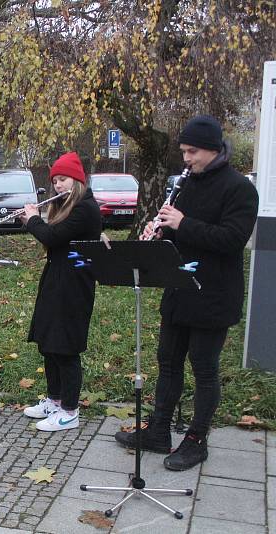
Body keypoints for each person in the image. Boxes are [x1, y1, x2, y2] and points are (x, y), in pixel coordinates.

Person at [115, 115, 259, 470]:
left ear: (213, 149)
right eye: (183, 152)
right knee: (168, 361)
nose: (186, 159)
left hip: (213, 294)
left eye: (192, 152)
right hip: (179, 289)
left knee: (204, 368)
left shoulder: (239, 188)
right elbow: (183, 236)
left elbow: (231, 240)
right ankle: (159, 430)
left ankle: (196, 440)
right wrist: (164, 233)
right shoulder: (188, 183)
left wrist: (183, 224)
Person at [18, 152, 102, 431]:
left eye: (63, 180)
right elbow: (53, 242)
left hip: (74, 284)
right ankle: (54, 400)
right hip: (57, 279)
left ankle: (69, 410)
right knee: (48, 344)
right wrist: (33, 220)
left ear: (77, 180)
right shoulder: (67, 206)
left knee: (65, 347)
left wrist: (32, 220)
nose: (58, 186)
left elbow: (52, 237)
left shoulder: (85, 208)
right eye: (55, 181)